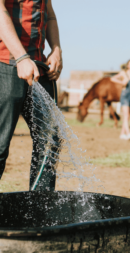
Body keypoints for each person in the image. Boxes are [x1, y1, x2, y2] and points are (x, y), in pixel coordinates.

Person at [0, 0, 63, 190]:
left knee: (50, 141)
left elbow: (49, 14)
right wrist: (21, 57)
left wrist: (56, 50)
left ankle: (38, 208)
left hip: (38, 66)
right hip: (6, 64)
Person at [111, 59, 130, 140]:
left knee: (128, 116)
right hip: (125, 96)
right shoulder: (124, 73)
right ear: (127, 65)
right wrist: (122, 83)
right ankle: (128, 133)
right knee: (126, 115)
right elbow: (112, 79)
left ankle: (122, 134)